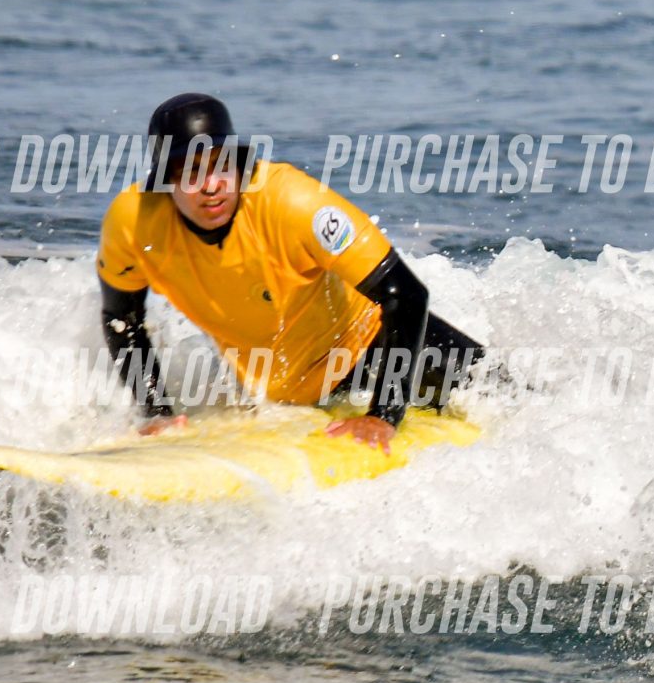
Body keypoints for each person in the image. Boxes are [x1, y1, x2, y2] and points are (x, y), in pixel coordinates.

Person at [96, 93, 484, 449]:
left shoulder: (291, 203)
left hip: (374, 352)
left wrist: (384, 416)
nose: (212, 186)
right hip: (281, 395)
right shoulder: (133, 224)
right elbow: (121, 319)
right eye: (192, 172)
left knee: (506, 399)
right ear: (166, 179)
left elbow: (405, 295)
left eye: (221, 165)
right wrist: (156, 411)